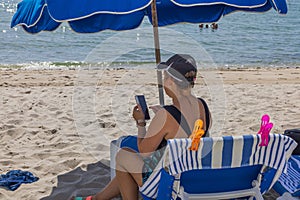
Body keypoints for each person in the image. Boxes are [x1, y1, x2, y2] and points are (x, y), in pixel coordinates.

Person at [72, 54, 211, 200]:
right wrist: (165, 119)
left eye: (164, 78)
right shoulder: (204, 107)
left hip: (169, 185)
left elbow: (145, 152)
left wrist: (141, 123)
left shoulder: (165, 116)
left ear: (170, 82)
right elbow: (188, 132)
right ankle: (97, 199)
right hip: (192, 178)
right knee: (132, 163)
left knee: (124, 155)